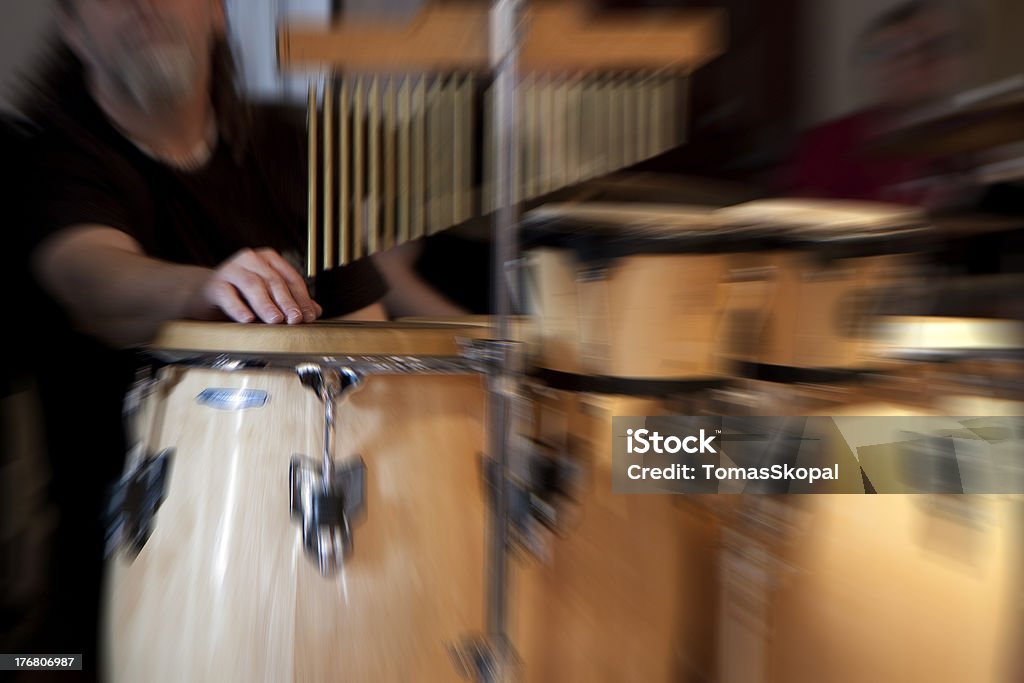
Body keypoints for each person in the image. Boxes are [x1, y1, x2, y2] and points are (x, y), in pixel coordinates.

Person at [15, 0, 463, 675]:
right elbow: (94, 280)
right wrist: (206, 288)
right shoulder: (50, 152)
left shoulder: (286, 147)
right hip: (118, 576)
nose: (141, 7)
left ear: (217, 14)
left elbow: (370, 338)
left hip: (316, 557)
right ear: (75, 31)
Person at [786, 0, 976, 206]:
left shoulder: (966, 143)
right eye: (895, 53)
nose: (911, 64)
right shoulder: (829, 140)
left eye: (928, 50)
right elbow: (803, 214)